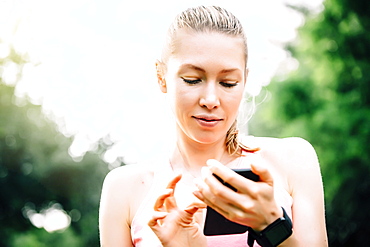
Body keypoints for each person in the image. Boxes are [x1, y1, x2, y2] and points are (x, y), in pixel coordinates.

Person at [99, 5, 328, 247]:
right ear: (161, 77)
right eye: (192, 80)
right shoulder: (124, 190)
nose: (210, 100)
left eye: (228, 83)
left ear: (245, 81)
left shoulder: (294, 160)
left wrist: (273, 226)